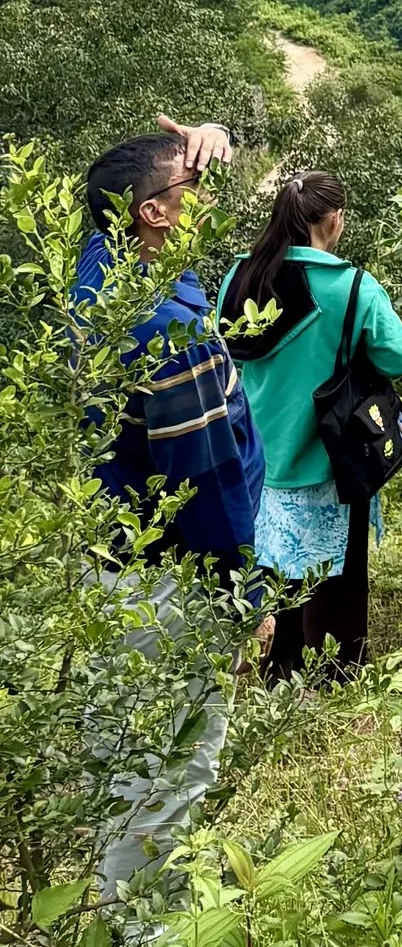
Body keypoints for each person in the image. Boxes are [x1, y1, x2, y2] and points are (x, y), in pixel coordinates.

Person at [72, 117, 265, 904]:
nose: (208, 200)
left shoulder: (102, 271)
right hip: (171, 585)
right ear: (155, 213)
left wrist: (209, 137)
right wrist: (246, 596)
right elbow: (210, 479)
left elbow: (166, 208)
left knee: (125, 760)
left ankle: (112, 927)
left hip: (112, 565)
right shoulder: (170, 333)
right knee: (175, 768)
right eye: (194, 191)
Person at [216, 169, 402, 679]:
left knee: (268, 571)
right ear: (335, 220)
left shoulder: (240, 276)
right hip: (328, 458)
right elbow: (398, 357)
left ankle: (273, 671)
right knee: (333, 579)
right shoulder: (350, 287)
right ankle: (333, 677)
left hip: (255, 459)